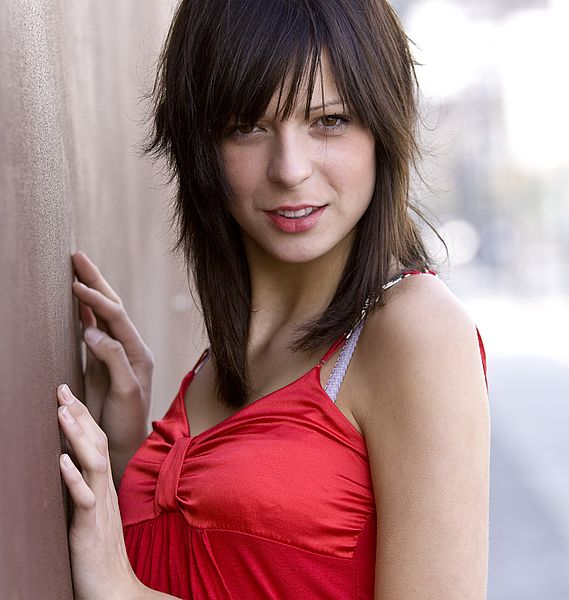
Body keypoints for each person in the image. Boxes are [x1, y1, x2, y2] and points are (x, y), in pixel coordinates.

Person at [55, 0, 490, 598]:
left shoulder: (415, 332)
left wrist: (121, 592)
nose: (289, 169)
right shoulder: (221, 360)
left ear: (383, 130)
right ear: (200, 146)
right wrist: (127, 453)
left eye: (329, 120)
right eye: (247, 126)